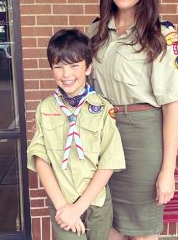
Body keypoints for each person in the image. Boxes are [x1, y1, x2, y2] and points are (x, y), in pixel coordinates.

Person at [87, 0, 178, 240]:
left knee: (143, 231)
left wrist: (167, 171)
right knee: (108, 226)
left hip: (143, 141)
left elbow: (172, 107)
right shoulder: (94, 32)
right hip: (103, 137)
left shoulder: (160, 34)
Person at [27, 28, 126, 240]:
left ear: (88, 67)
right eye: (59, 67)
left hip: (96, 203)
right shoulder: (44, 109)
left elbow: (109, 161)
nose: (66, 74)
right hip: (62, 201)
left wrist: (79, 207)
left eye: (74, 66)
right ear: (51, 69)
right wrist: (65, 207)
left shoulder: (102, 108)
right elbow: (40, 159)